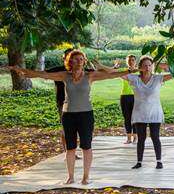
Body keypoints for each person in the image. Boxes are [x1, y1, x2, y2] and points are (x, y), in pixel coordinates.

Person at [11, 50, 128, 184]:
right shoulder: (64, 75)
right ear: (70, 61)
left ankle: (86, 177)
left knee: (86, 146)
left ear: (84, 61)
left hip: (86, 115)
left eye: (81, 59)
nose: (79, 61)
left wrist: (130, 71)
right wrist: (20, 70)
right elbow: (43, 74)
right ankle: (71, 176)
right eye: (76, 59)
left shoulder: (90, 76)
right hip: (68, 115)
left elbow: (111, 76)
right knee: (70, 147)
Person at [126, 56, 174, 169]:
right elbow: (117, 74)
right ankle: (139, 162)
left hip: (154, 113)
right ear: (140, 67)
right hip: (140, 113)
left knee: (155, 137)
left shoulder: (158, 78)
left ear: (152, 66)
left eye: (149, 65)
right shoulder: (134, 78)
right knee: (141, 138)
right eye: (144, 65)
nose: (147, 68)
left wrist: (163, 65)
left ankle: (159, 161)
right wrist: (131, 70)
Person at [114, 55, 137, 144]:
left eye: (133, 60)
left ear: (135, 61)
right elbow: (116, 74)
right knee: (127, 117)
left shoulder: (138, 72)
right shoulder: (124, 72)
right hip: (124, 96)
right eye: (129, 60)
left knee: (135, 117)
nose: (131, 61)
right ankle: (128, 138)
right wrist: (115, 67)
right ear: (127, 62)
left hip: (135, 96)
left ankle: (135, 137)